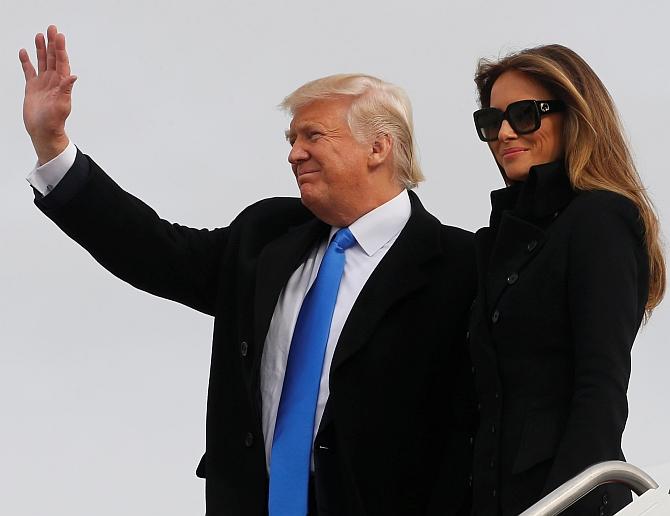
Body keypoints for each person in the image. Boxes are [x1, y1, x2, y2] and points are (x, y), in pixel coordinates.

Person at [19, 26, 477, 516]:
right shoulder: (266, 237)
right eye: (292, 138)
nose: (294, 152)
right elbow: (154, 250)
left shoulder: (461, 266)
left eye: (313, 135)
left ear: (378, 148)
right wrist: (53, 146)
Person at [467, 44, 666, 516]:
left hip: (564, 498)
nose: (506, 132)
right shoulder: (497, 241)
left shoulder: (600, 219)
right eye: (492, 121)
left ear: (574, 115)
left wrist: (561, 506)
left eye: (525, 114)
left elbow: (601, 386)